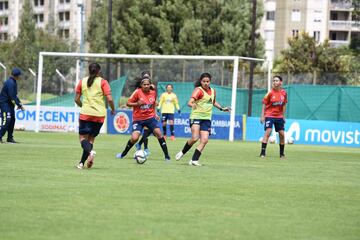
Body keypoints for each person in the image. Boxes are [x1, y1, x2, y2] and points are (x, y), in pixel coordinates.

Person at [175, 72, 230, 166]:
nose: (206, 83)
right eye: (204, 81)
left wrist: (222, 108)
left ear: (210, 82)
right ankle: (182, 152)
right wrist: (193, 105)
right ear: (201, 81)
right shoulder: (198, 90)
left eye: (207, 81)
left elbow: (213, 102)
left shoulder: (213, 91)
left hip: (207, 118)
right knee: (195, 138)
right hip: (196, 116)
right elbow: (190, 102)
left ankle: (194, 160)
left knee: (204, 140)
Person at [116, 76, 171, 161]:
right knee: (134, 138)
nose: (146, 86)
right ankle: (123, 153)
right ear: (141, 85)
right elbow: (128, 103)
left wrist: (155, 113)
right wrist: (137, 103)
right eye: (144, 84)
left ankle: (167, 156)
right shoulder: (137, 92)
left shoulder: (153, 93)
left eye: (148, 84)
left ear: (150, 85)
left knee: (159, 133)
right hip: (138, 119)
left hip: (150, 118)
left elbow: (153, 104)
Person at [74, 63, 115, 169]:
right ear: (99, 71)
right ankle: (81, 163)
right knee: (91, 140)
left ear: (89, 71)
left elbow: (76, 99)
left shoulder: (82, 81)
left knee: (83, 138)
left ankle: (90, 152)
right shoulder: (103, 82)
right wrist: (113, 109)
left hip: (86, 114)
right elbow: (110, 99)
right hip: (99, 115)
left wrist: (83, 106)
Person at [259, 75, 287, 158]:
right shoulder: (269, 93)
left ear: (281, 82)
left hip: (279, 116)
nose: (275, 82)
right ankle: (262, 153)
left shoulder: (284, 93)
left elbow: (284, 104)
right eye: (274, 81)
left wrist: (283, 116)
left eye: (277, 80)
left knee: (282, 134)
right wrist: (262, 116)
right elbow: (264, 104)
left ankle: (282, 154)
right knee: (268, 132)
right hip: (269, 115)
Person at [0, 67, 25, 144]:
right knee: (6, 120)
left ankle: (10, 138)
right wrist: (19, 105)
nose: (20, 77)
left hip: (10, 104)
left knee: (12, 120)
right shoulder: (10, 83)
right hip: (5, 104)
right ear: (16, 75)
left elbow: (14, 96)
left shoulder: (13, 82)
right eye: (19, 75)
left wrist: (19, 103)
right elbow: (12, 96)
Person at [135, 71, 154, 155]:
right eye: (145, 77)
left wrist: (155, 113)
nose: (147, 78)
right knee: (146, 131)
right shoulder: (138, 90)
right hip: (140, 115)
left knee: (149, 131)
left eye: (148, 77)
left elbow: (153, 100)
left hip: (149, 114)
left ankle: (139, 144)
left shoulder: (151, 87)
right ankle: (145, 148)